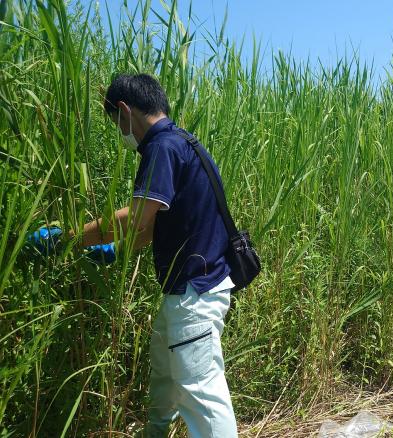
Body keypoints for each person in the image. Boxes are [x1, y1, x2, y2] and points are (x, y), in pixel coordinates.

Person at [27, 74, 238, 436]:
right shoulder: (185, 143)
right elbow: (157, 225)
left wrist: (69, 239)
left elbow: (137, 216)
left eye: (115, 123)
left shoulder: (161, 148)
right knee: (166, 370)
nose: (119, 132)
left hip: (195, 293)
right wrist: (117, 250)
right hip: (190, 289)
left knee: (202, 392)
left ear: (124, 110)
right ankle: (156, 431)